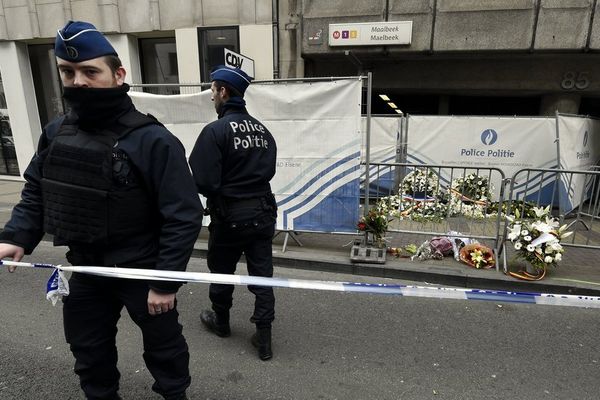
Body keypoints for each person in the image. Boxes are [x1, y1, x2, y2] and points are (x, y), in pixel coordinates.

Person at [0, 20, 203, 400]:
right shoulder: (56, 132)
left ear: (118, 74)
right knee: (88, 351)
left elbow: (184, 215)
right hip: (86, 266)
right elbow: (37, 189)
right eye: (68, 72)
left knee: (165, 351)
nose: (78, 81)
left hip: (142, 267)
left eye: (90, 71)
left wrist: (164, 283)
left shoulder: (152, 140)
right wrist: (16, 236)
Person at [189, 66, 277, 361]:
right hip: (263, 214)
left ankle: (222, 322)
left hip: (229, 217)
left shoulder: (215, 131)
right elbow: (269, 170)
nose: (212, 97)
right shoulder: (263, 131)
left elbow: (203, 180)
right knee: (263, 276)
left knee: (222, 272)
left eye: (213, 91)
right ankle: (264, 337)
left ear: (223, 92)